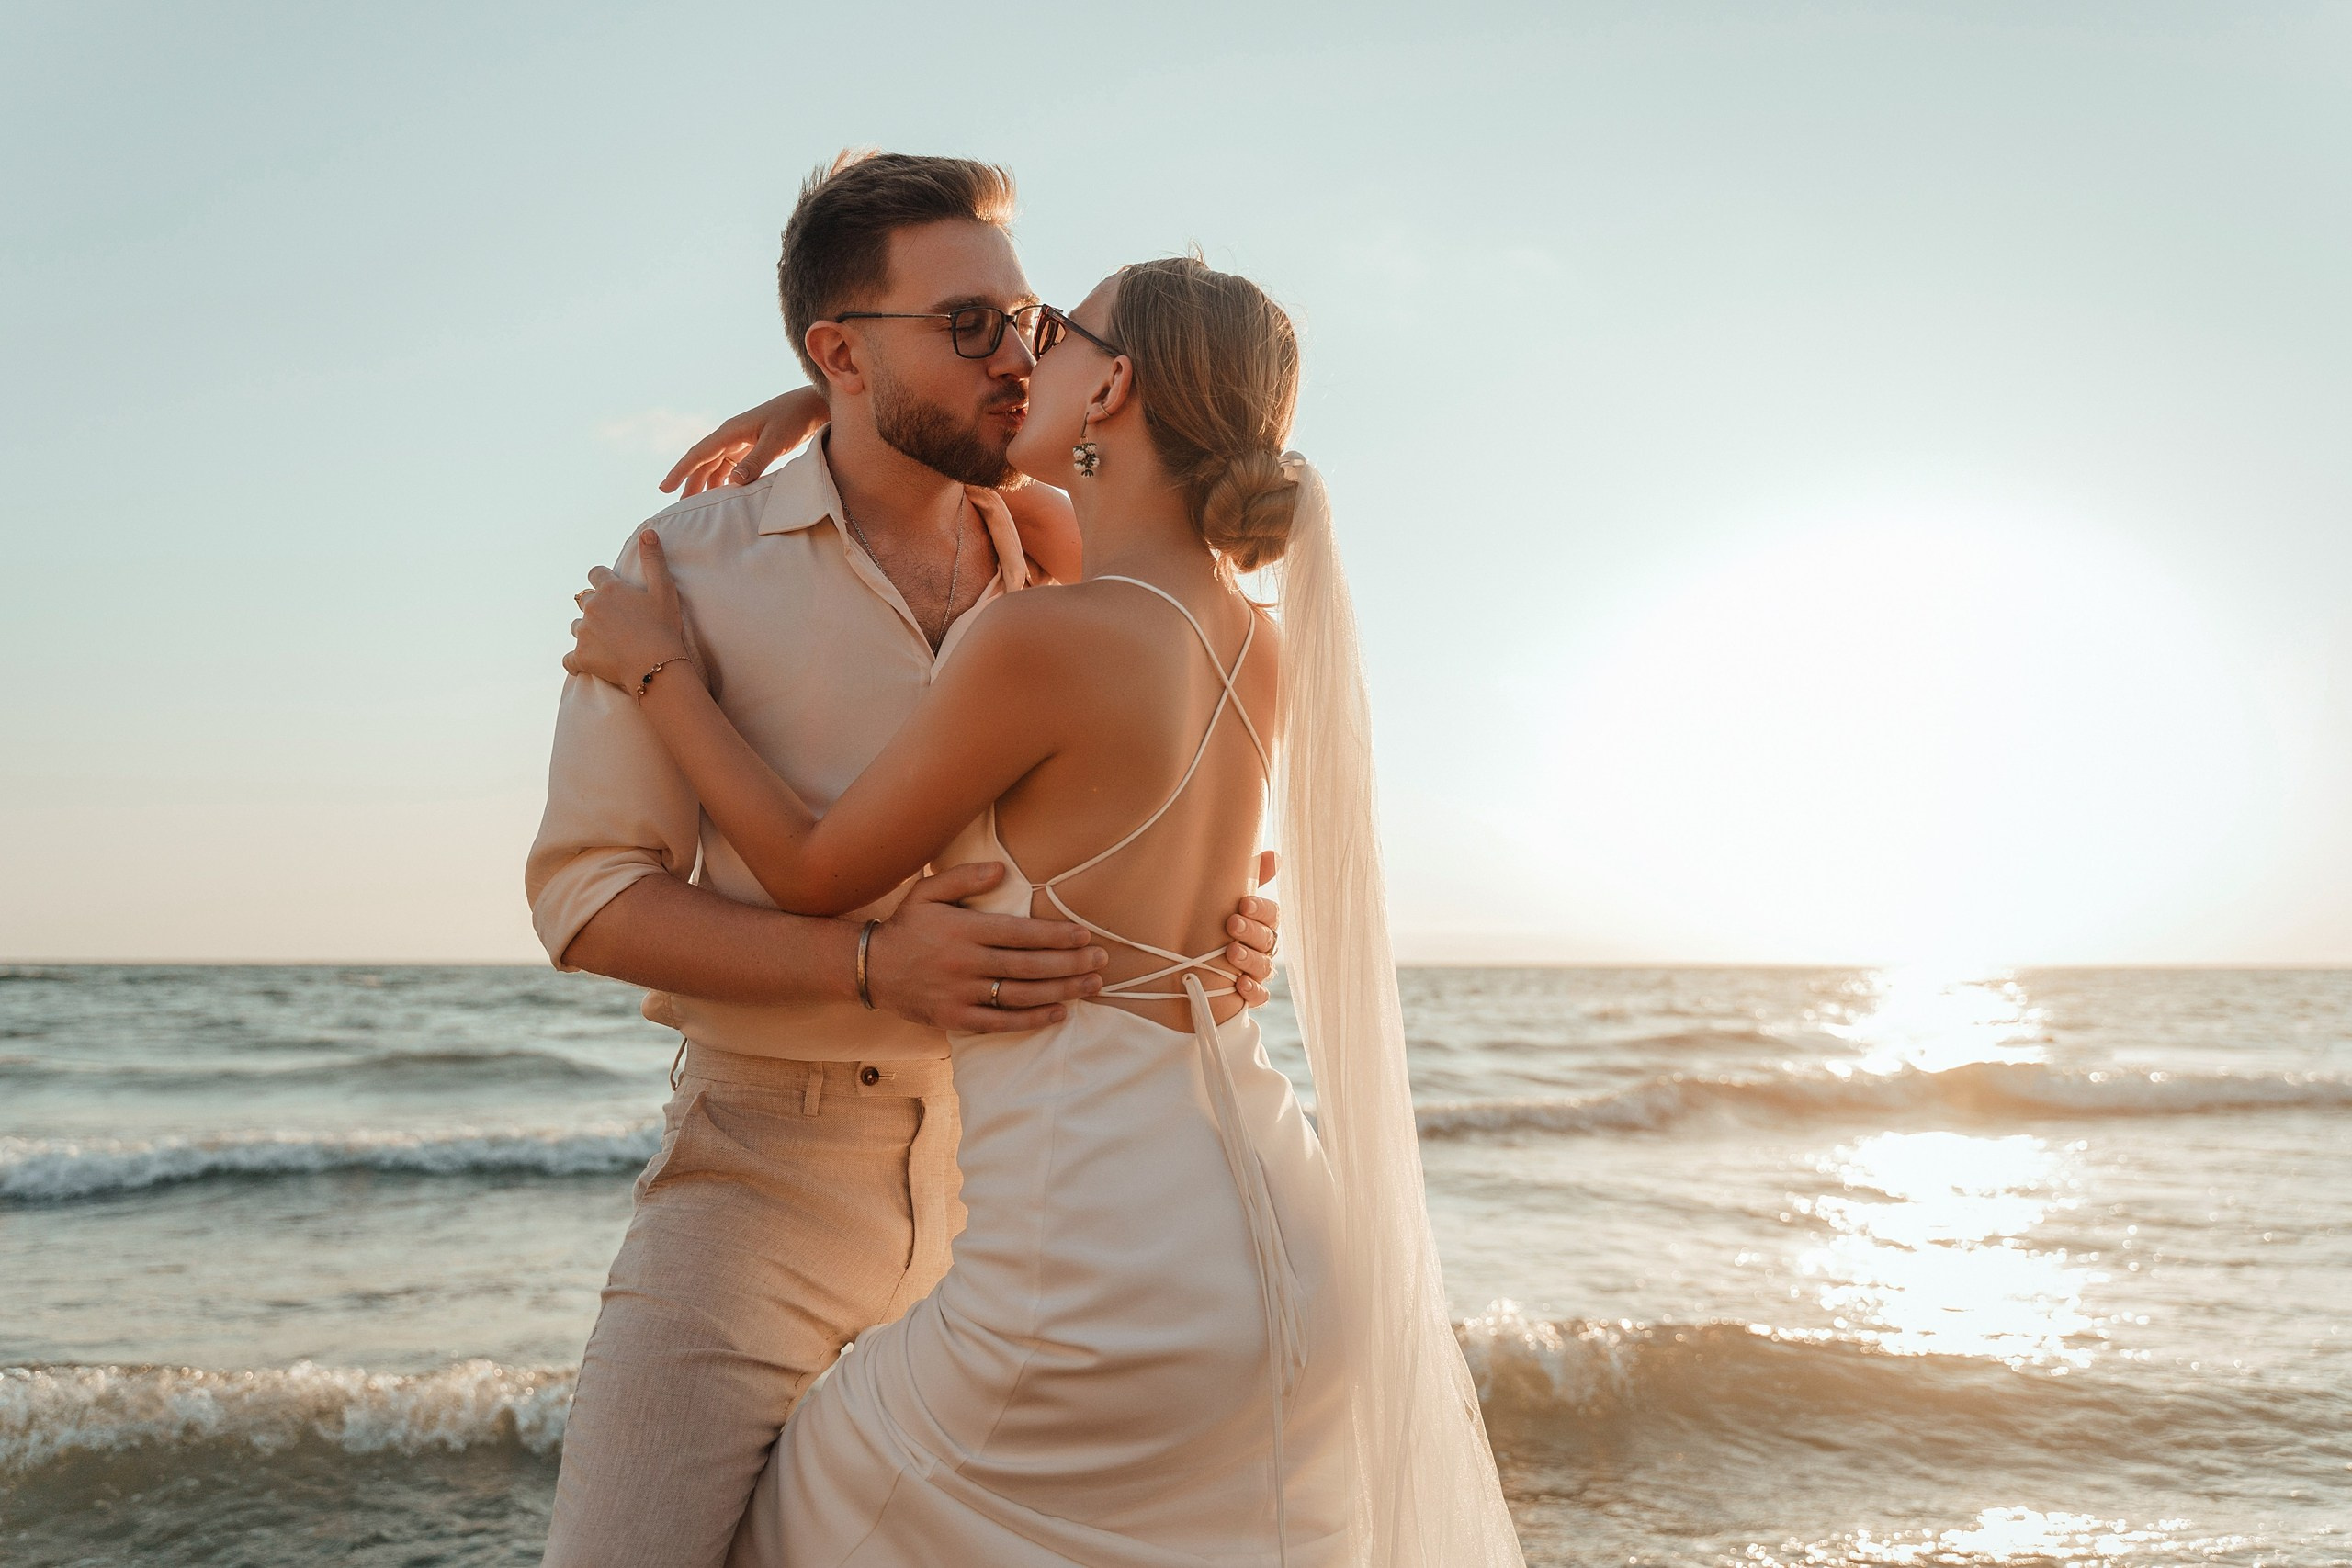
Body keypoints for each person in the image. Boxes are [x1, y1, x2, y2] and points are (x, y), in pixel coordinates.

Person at [565, 253, 1522, 1564]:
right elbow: (1192, 886)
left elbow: (809, 868)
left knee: (790, 1533)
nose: (1022, 362)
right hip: (1287, 1248)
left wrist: (658, 666)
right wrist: (826, 415)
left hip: (1094, 1270)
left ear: (1115, 384)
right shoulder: (1260, 639)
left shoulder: (1036, 640)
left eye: (1053, 336)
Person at [524, 152, 1282, 1568]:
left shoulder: (1060, 554)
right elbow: (584, 900)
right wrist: (866, 964)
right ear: (841, 354)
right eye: (970, 326)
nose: (1019, 359)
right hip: (765, 1184)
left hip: (1029, 1199)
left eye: (1029, 319)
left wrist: (1226, 927)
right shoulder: (680, 571)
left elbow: (1150, 803)